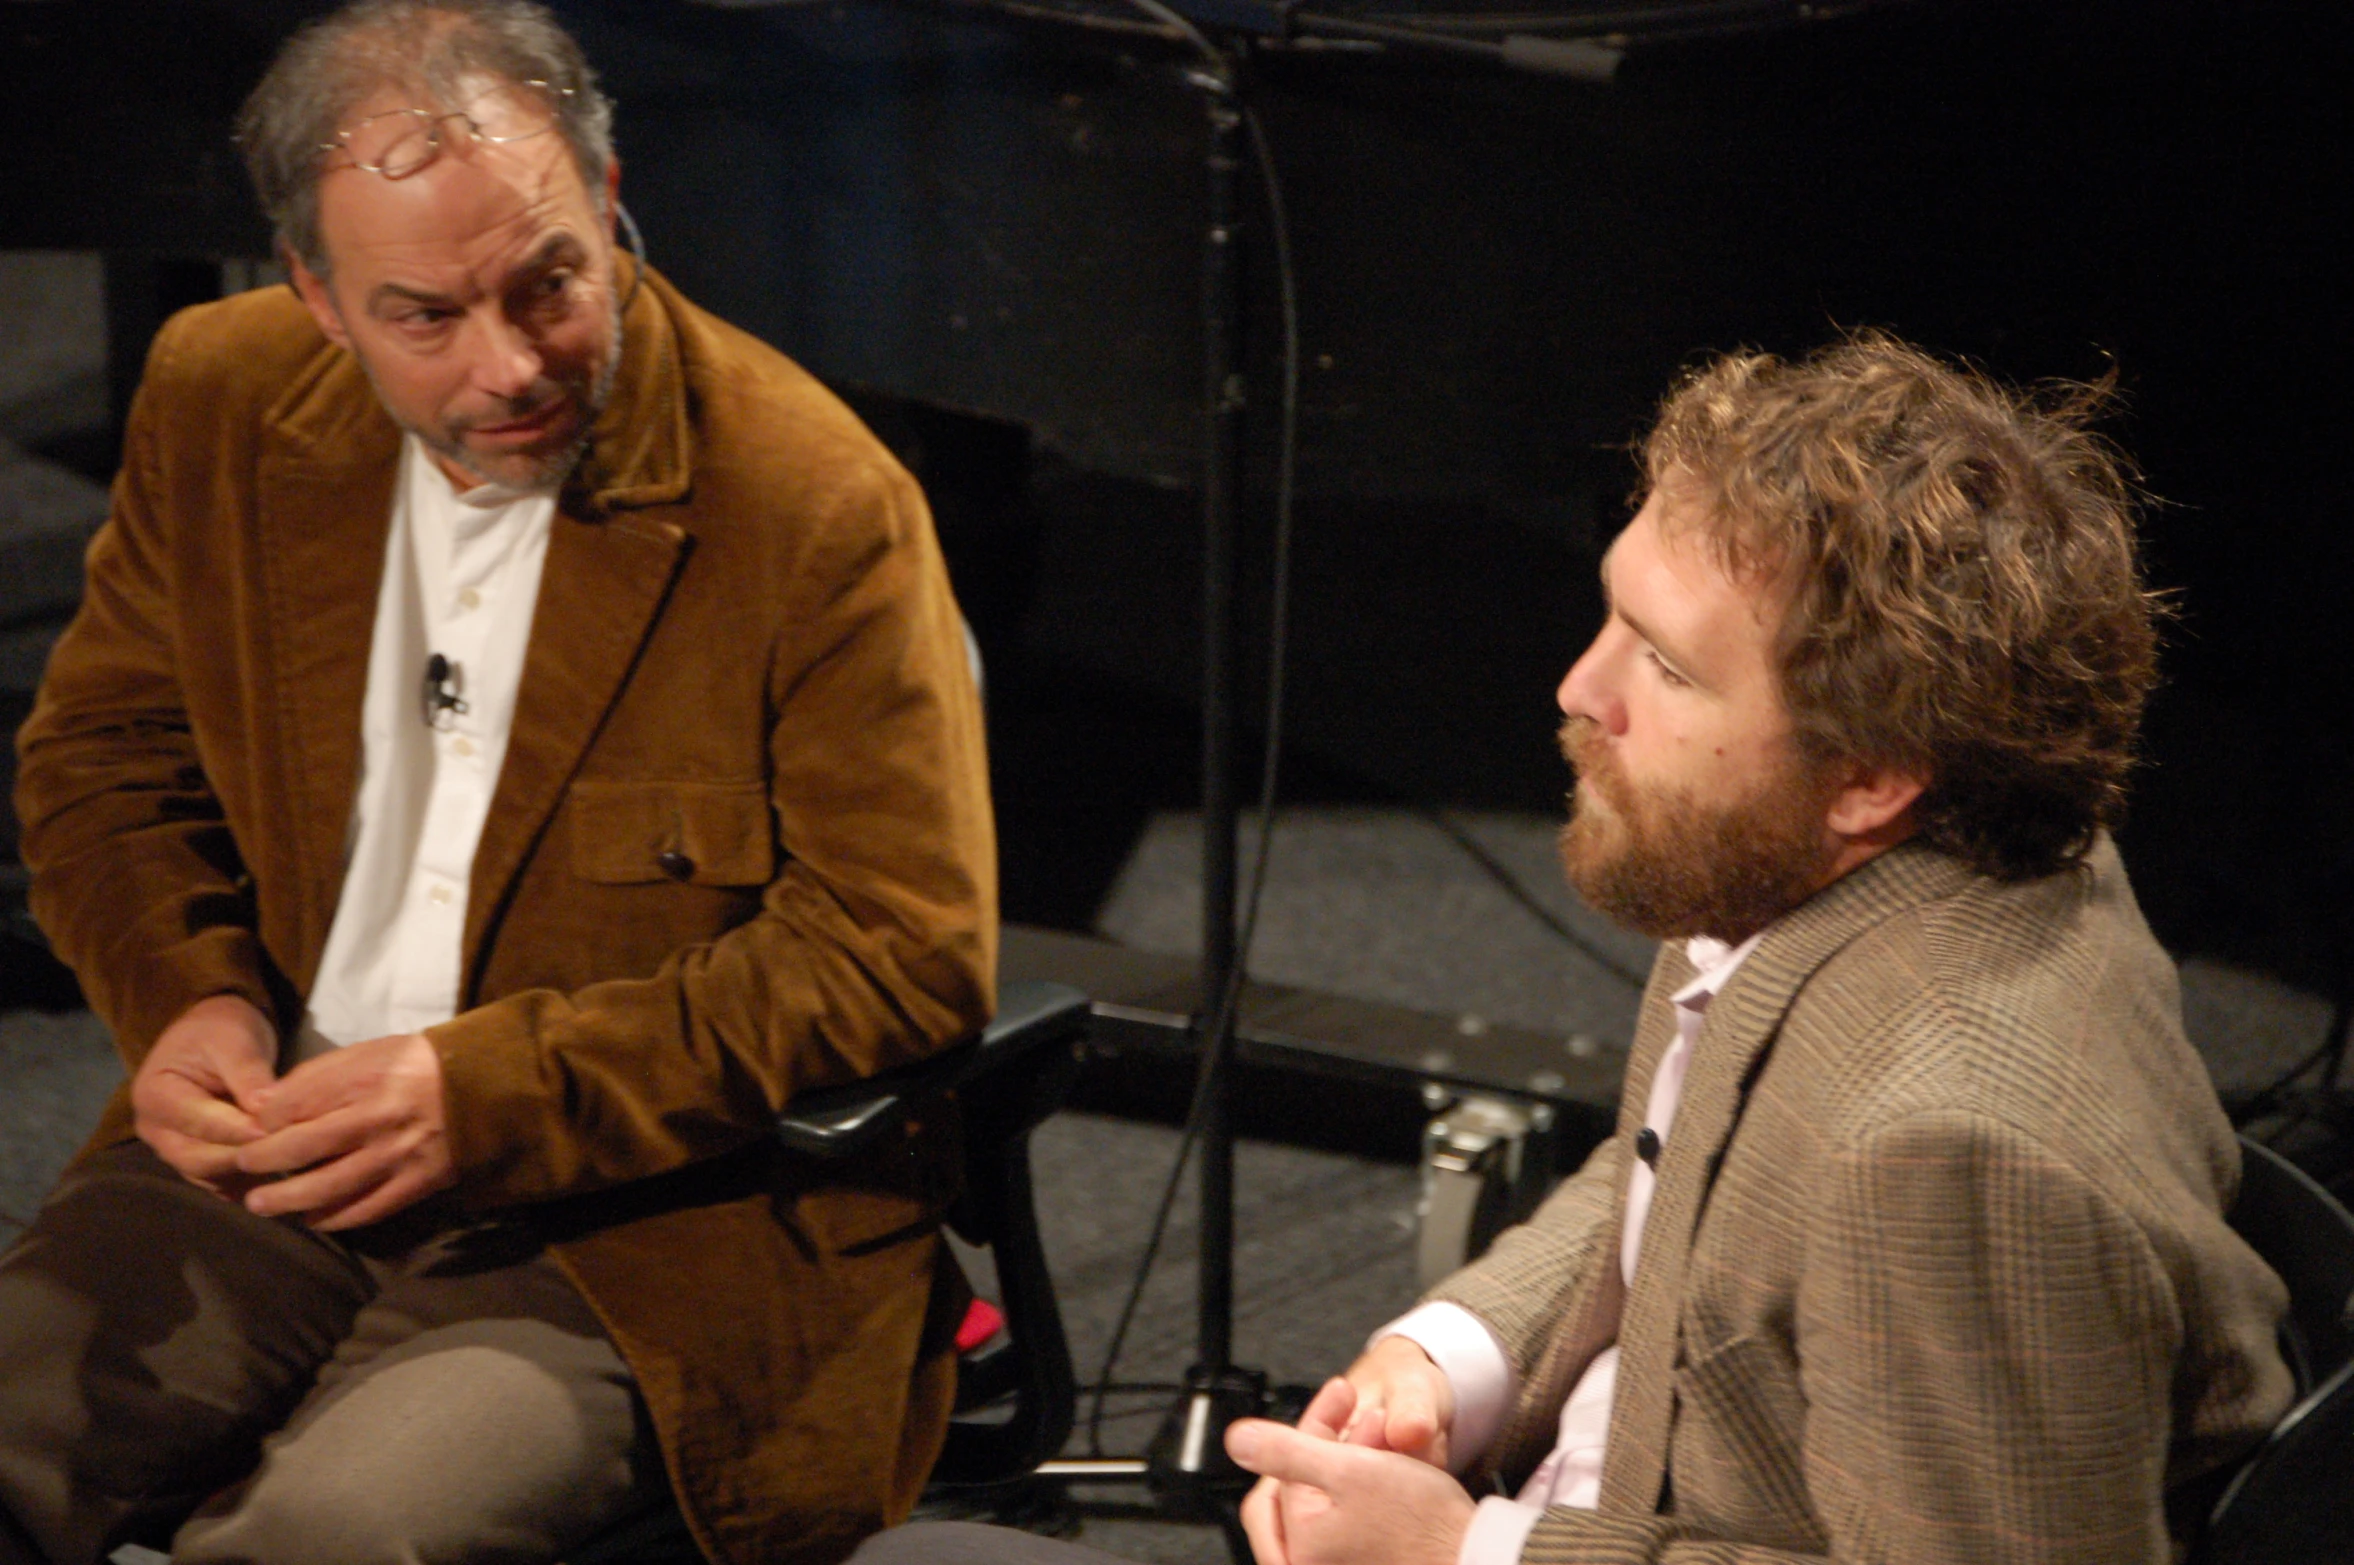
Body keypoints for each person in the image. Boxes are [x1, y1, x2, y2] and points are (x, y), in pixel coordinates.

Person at [850, 336, 2293, 1565]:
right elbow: (1681, 1163)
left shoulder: (1943, 1153)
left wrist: (1462, 1550)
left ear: (1871, 773)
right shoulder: (1803, 854)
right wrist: (1454, 1357)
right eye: (1611, 613)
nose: (1577, 689)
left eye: (1662, 665)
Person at [0, 3, 994, 1563]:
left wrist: (480, 1095)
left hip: (651, 1222)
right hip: (280, 1139)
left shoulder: (811, 504)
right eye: (426, 318)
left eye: (549, 286)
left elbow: (898, 954)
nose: (510, 363)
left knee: (320, 1539)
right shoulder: (221, 396)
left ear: (605, 206)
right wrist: (188, 999)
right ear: (317, 299)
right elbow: (106, 762)